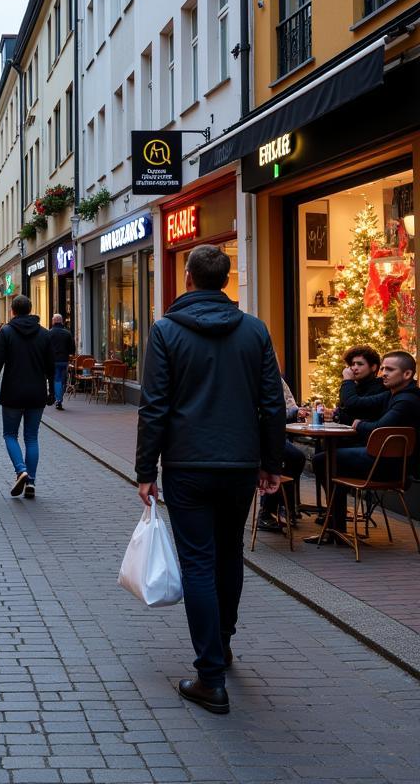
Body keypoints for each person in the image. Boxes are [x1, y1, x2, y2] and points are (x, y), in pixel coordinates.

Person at [136, 244, 284, 715]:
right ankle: (223, 643)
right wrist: (271, 461)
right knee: (229, 555)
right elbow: (273, 402)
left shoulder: (166, 331)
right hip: (240, 464)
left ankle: (210, 676)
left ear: (187, 277)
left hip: (188, 465)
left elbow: (154, 405)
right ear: (225, 280)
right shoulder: (254, 330)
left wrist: (145, 470)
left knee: (198, 562)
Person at [316, 350, 420, 534]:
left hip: (389, 467)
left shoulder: (407, 400)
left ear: (407, 374)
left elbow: (379, 429)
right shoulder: (392, 394)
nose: (384, 373)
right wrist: (345, 416)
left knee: (323, 460)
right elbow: (357, 405)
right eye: (383, 369)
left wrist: (359, 423)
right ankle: (335, 524)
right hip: (380, 459)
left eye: (390, 369)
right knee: (329, 457)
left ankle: (336, 527)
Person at [0, 294, 54, 499]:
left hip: (13, 392)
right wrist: (53, 392)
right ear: (30, 309)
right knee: (32, 437)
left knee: (10, 435)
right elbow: (51, 366)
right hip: (36, 392)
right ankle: (31, 481)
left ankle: (20, 469)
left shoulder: (6, 332)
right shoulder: (44, 334)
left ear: (13, 311)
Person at [256, 378, 307, 532]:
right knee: (287, 457)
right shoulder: (250, 375)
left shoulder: (277, 380)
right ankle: (275, 510)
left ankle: (283, 508)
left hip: (273, 435)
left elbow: (290, 405)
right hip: (255, 436)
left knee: (294, 458)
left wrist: (297, 412)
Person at [333, 345, 386, 423]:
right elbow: (343, 411)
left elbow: (353, 408)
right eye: (352, 364)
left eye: (360, 364)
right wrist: (333, 415)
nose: (354, 368)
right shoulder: (353, 386)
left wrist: (347, 381)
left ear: (373, 367)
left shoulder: (380, 387)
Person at [48, 313, 76, 410]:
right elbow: (72, 349)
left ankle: (58, 399)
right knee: (63, 380)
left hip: (53, 361)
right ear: (62, 321)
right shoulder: (67, 333)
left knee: (57, 379)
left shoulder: (49, 333)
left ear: (53, 321)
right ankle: (59, 398)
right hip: (64, 360)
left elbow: (45, 348)